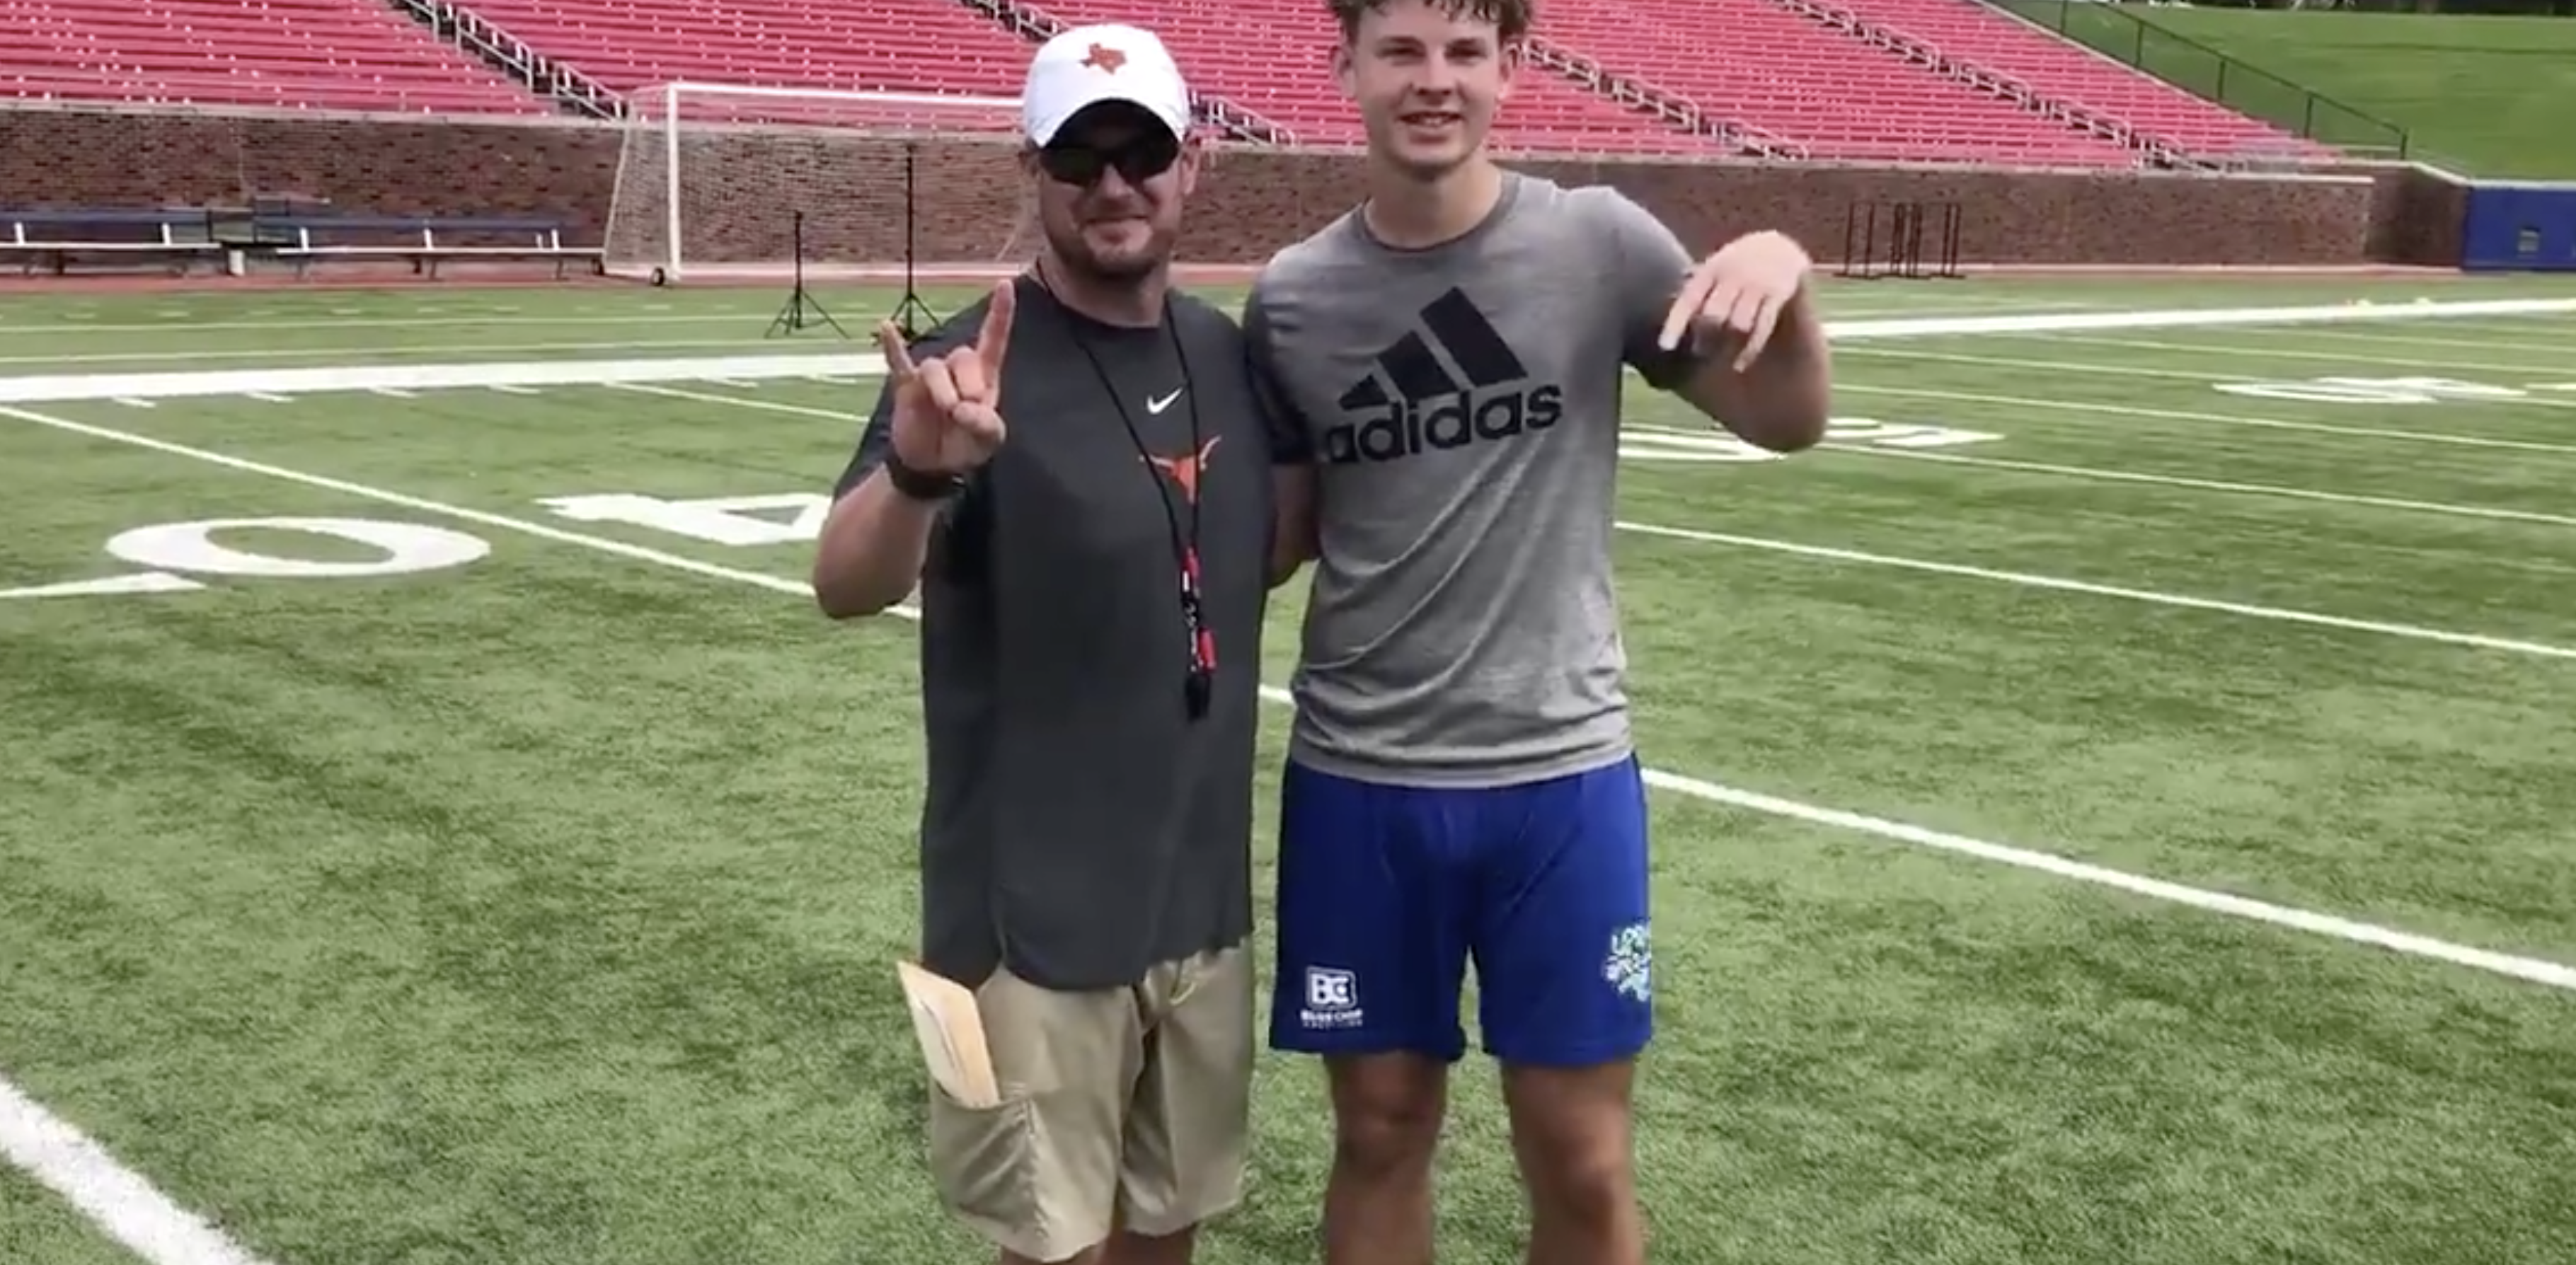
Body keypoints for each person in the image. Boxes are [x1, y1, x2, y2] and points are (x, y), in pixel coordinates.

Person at [1246, 1, 1835, 1263]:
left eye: (1464, 52)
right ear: (1345, 67)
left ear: (1513, 71)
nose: (1432, 81)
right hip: (1360, 780)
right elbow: (1280, 539)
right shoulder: (1292, 300)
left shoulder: (1597, 244)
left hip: (1558, 778)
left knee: (1579, 1151)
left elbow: (1785, 422)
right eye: (1401, 50)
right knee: (1382, 1131)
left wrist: (1786, 272)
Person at [809, 23, 1297, 1265]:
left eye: (1141, 151)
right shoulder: (967, 366)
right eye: (1080, 158)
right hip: (1027, 925)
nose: (1114, 185)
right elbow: (845, 582)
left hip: (1197, 907)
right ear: (1031, 168)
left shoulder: (1232, 357)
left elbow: (1268, 546)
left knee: (1165, 1236)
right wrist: (920, 473)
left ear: (1197, 162)